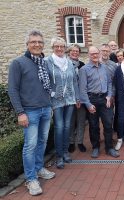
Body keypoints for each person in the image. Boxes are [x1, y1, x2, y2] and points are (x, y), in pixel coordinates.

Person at [8, 30, 55, 196]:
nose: (37, 44)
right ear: (27, 44)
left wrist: (49, 106)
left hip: (45, 109)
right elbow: (12, 90)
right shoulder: (18, 63)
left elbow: (48, 86)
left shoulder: (44, 62)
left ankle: (39, 168)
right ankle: (31, 179)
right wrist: (20, 113)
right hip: (29, 111)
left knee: (42, 141)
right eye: (33, 42)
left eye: (40, 42)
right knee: (30, 145)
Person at [45, 37, 79, 169]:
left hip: (70, 100)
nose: (59, 49)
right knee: (59, 128)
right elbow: (45, 82)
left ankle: (65, 152)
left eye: (61, 46)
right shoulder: (47, 61)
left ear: (65, 48)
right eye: (56, 46)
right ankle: (59, 156)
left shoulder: (69, 63)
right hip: (56, 100)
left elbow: (74, 81)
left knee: (67, 127)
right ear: (53, 47)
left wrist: (77, 98)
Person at [79, 46, 119, 158]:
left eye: (96, 53)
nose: (95, 55)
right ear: (89, 55)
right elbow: (82, 89)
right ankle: (95, 147)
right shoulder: (84, 70)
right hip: (92, 99)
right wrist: (88, 104)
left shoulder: (104, 68)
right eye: (92, 54)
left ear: (99, 54)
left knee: (108, 124)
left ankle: (109, 148)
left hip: (105, 99)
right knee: (94, 125)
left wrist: (109, 96)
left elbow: (110, 83)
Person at [67, 44, 87, 153]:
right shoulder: (65, 65)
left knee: (81, 120)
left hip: (81, 97)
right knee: (71, 121)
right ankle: (71, 142)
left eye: (77, 51)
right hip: (69, 98)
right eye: (73, 51)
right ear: (69, 52)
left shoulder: (82, 65)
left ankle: (80, 142)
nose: (75, 53)